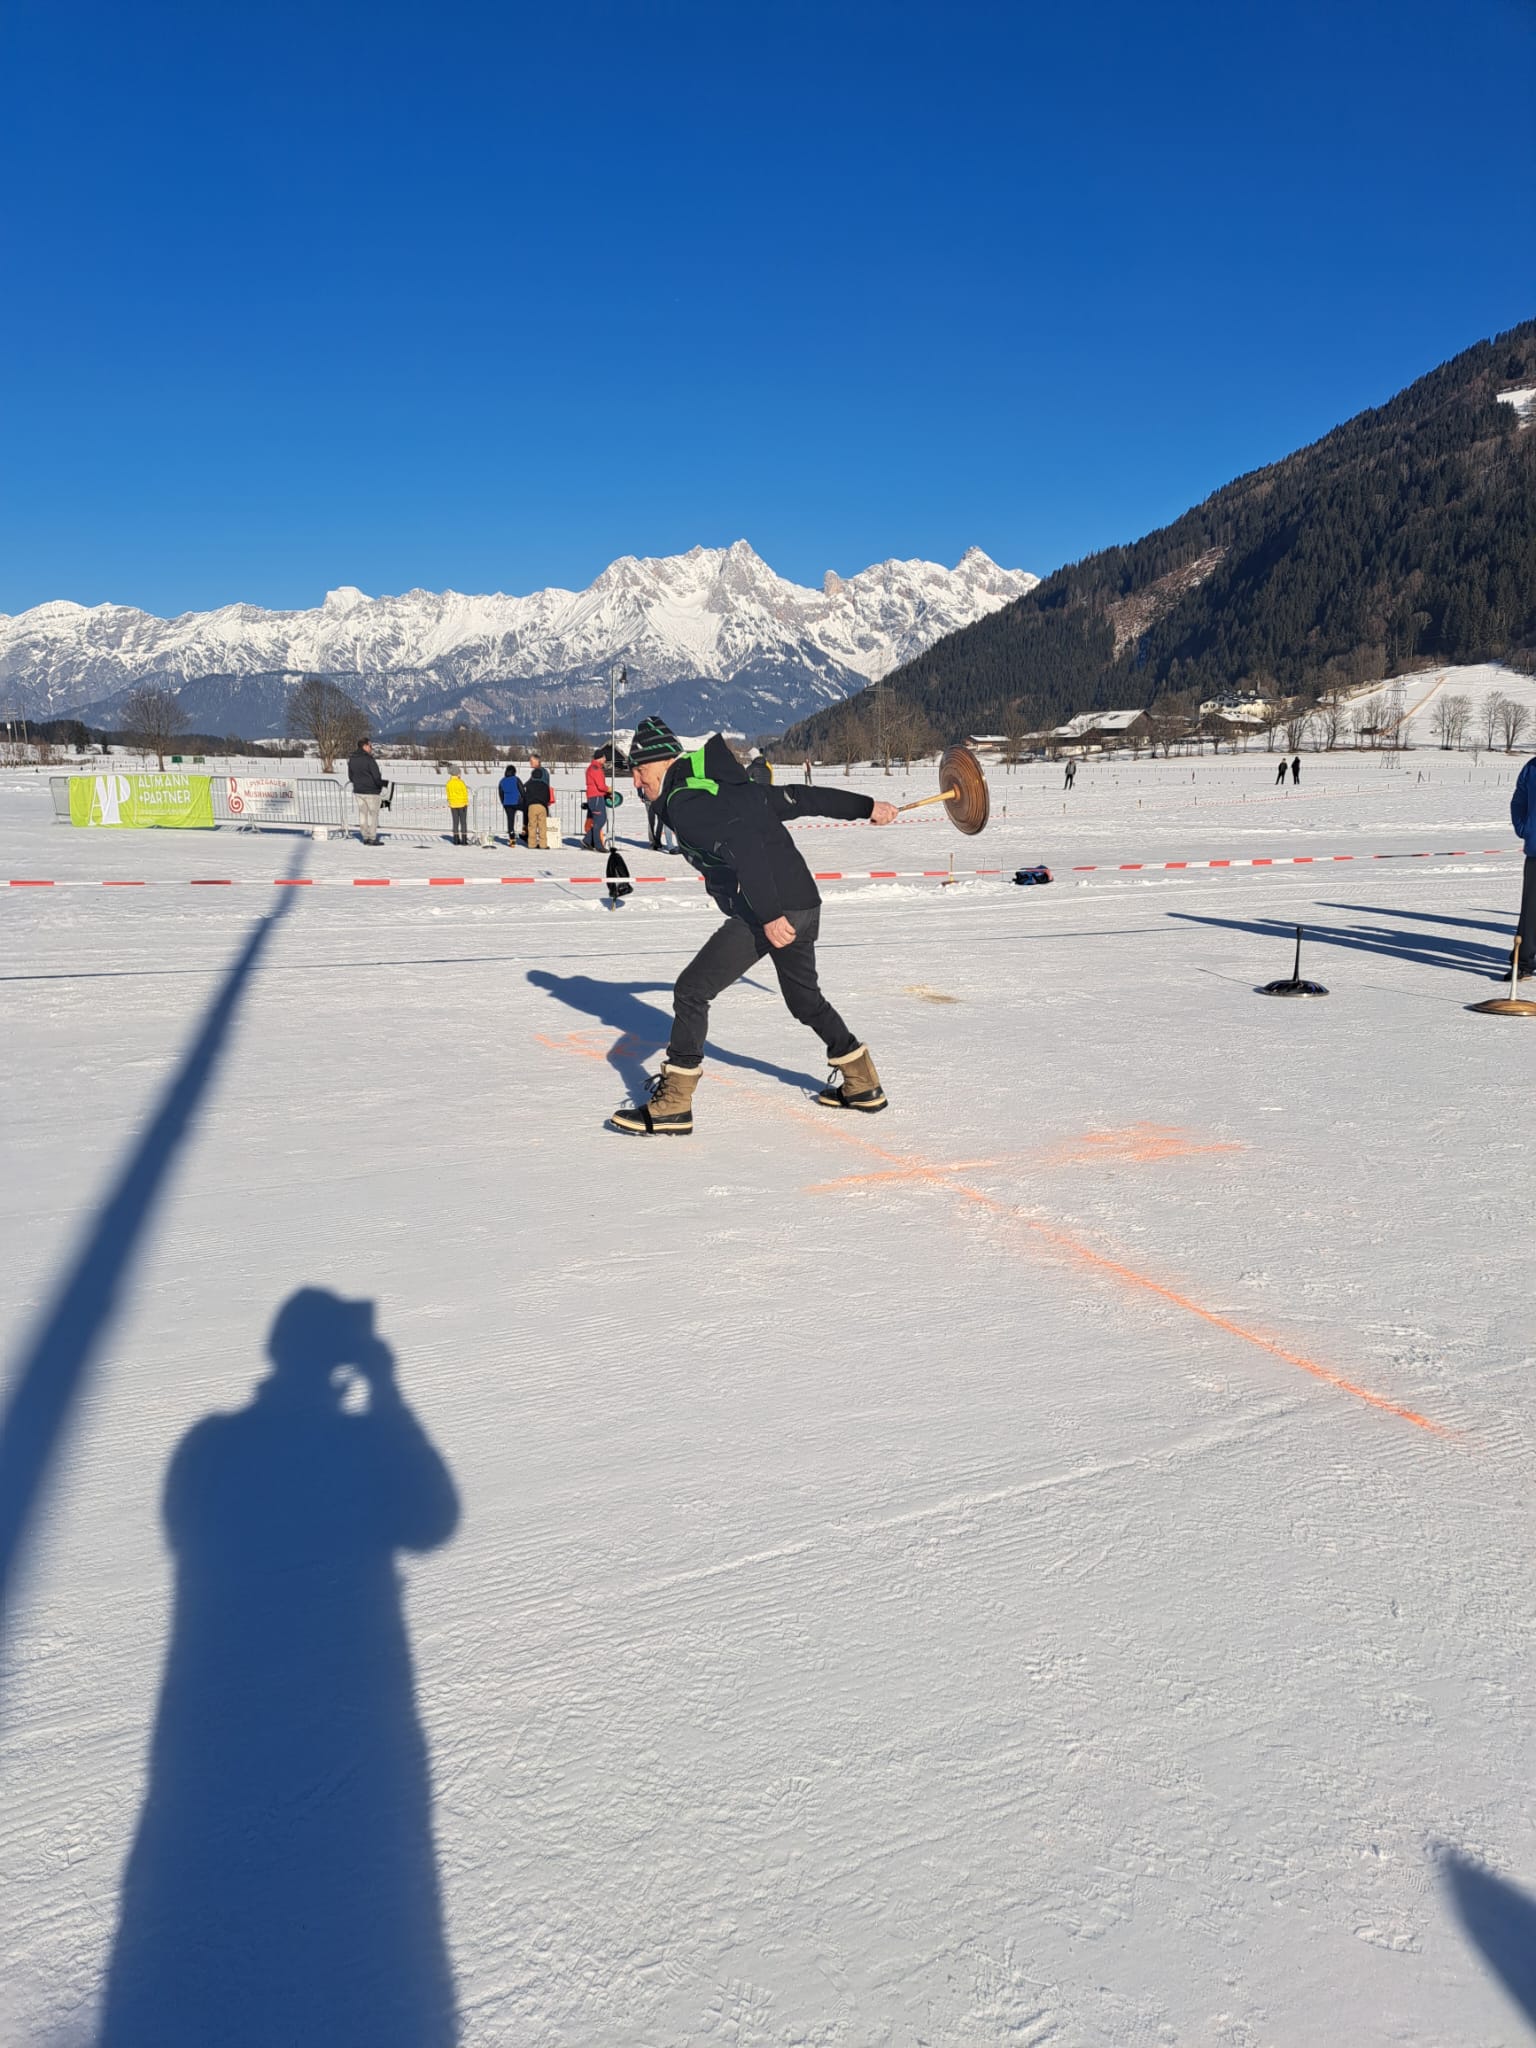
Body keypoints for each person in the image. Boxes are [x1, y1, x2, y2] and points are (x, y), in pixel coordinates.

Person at [610, 715, 898, 1137]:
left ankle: (673, 1104)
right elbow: (797, 798)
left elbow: (744, 846)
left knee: (692, 990)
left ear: (666, 761)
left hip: (771, 909)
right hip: (802, 901)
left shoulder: (686, 801)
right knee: (805, 1001)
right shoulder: (726, 786)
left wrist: (769, 915)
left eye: (640, 770)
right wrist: (866, 806)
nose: (636, 781)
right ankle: (862, 1081)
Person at [1504, 749, 1536, 981]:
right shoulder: (1532, 768)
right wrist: (1525, 828)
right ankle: (1523, 962)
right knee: (1531, 911)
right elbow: (1519, 800)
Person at [348, 736, 385, 845]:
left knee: (362, 814)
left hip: (358, 790)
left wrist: (358, 783)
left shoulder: (352, 758)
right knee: (373, 815)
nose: (371, 748)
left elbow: (350, 776)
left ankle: (365, 836)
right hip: (371, 791)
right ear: (364, 746)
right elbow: (376, 776)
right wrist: (380, 786)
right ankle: (372, 837)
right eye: (370, 745)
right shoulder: (369, 759)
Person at [583, 748, 610, 851]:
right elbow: (601, 786)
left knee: (597, 820)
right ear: (600, 758)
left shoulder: (592, 767)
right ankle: (598, 845)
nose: (605, 759)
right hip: (596, 797)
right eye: (604, 757)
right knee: (600, 819)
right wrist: (609, 789)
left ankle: (587, 840)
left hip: (594, 796)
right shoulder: (596, 769)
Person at [524, 754, 552, 849]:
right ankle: (543, 844)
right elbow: (547, 789)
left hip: (532, 804)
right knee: (542, 826)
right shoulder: (543, 774)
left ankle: (531, 844)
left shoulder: (538, 773)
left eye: (531, 761)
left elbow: (527, 786)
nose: (530, 763)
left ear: (537, 761)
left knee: (532, 825)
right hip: (542, 803)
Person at [497, 761, 523, 847]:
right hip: (517, 802)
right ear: (514, 771)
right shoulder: (516, 779)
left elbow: (501, 793)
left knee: (510, 821)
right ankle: (525, 831)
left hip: (507, 803)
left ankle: (512, 841)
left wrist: (503, 802)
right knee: (527, 812)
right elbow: (522, 790)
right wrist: (524, 799)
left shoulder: (502, 781)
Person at [445, 770, 469, 846]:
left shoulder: (448, 783)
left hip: (453, 805)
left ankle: (455, 839)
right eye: (459, 773)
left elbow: (448, 793)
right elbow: (465, 793)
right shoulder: (461, 782)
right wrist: (466, 803)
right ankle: (464, 840)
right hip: (462, 805)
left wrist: (450, 801)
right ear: (457, 774)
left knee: (455, 822)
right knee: (463, 822)